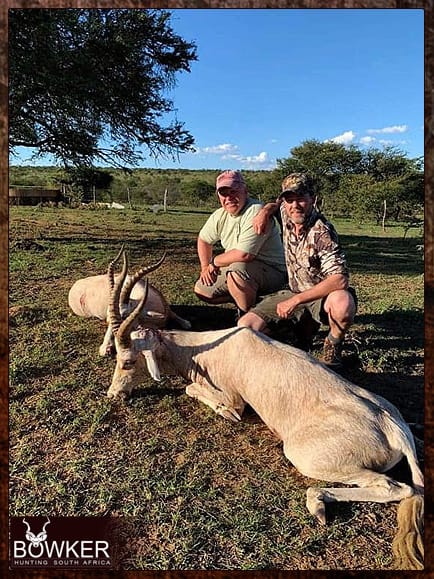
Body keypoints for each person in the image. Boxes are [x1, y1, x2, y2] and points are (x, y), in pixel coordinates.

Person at [238, 173, 357, 367]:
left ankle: (332, 345)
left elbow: (339, 279)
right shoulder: (286, 214)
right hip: (293, 290)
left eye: (301, 198)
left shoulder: (322, 231)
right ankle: (288, 342)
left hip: (320, 296)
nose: (295, 205)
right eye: (289, 199)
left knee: (342, 303)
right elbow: (275, 205)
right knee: (245, 327)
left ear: (313, 199)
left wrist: (295, 300)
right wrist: (264, 212)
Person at [194, 170, 287, 317]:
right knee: (202, 290)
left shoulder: (256, 211)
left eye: (234, 191)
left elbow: (244, 255)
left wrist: (214, 261)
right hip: (240, 269)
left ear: (245, 191)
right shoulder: (220, 215)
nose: (229, 198)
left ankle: (248, 316)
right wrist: (205, 267)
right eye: (224, 193)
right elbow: (204, 239)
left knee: (238, 270)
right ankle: (252, 301)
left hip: (273, 271)